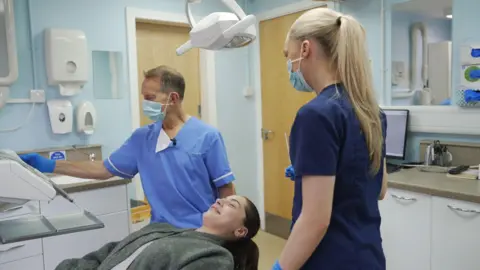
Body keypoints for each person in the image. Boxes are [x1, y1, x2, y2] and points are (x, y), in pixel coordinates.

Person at [20, 65, 236, 228]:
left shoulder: (208, 137)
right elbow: (104, 169)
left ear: (173, 98)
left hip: (202, 230)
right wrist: (48, 165)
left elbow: (226, 190)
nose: (145, 104)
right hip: (160, 232)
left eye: (150, 97)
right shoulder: (142, 138)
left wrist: (227, 232)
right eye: (143, 97)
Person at [272, 8, 388, 270]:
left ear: (304, 48)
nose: (288, 64)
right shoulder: (371, 111)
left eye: (287, 54)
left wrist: (280, 267)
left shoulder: (316, 114)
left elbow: (315, 221)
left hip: (330, 258)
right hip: (367, 255)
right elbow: (379, 189)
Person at [56, 195, 260, 270]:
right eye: (223, 199)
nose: (220, 201)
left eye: (231, 205)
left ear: (240, 231)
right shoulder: (161, 229)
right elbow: (110, 251)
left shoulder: (215, 257)